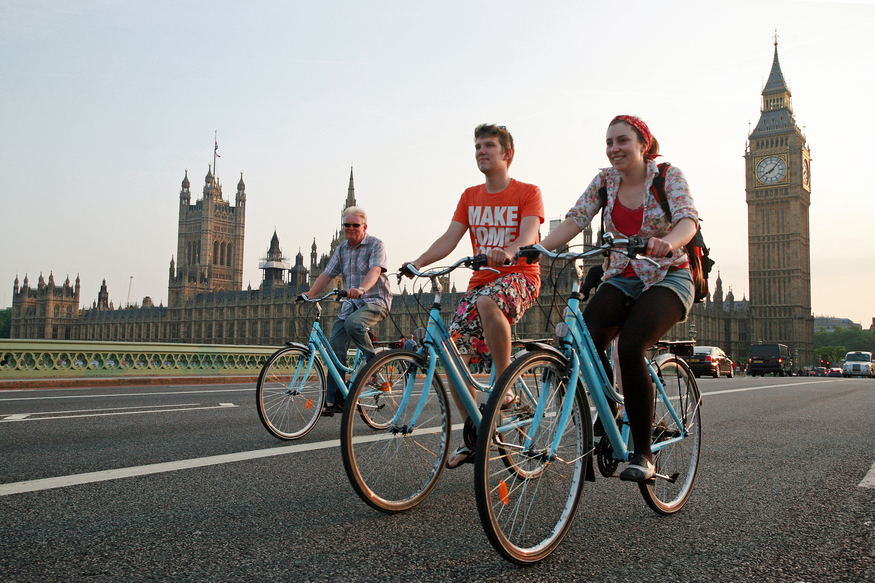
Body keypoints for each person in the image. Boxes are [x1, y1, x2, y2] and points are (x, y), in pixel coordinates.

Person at [536, 115, 698, 482]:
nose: (614, 149)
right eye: (609, 142)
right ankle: (609, 412)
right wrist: (537, 249)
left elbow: (688, 221)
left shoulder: (668, 176)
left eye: (622, 140)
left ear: (643, 144)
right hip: (622, 276)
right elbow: (576, 219)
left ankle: (643, 453)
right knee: (585, 340)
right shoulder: (605, 182)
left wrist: (667, 242)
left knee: (630, 345)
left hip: (668, 274)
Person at [402, 124, 545, 468]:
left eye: (489, 145)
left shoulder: (528, 192)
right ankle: (475, 433)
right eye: (478, 146)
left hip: (520, 277)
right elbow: (449, 239)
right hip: (481, 283)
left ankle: (503, 383)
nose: (481, 151)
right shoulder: (470, 196)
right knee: (451, 354)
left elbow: (529, 234)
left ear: (507, 154)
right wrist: (417, 262)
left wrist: (508, 251)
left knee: (487, 302)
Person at [299, 206, 392, 416]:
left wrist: (361, 289)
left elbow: (375, 271)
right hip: (351, 305)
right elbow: (327, 274)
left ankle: (373, 363)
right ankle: (335, 399)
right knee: (334, 346)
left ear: (364, 227)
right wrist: (310, 293)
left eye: (355, 225)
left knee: (353, 324)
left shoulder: (376, 244)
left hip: (375, 301)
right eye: (347, 225)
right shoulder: (342, 249)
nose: (350, 228)